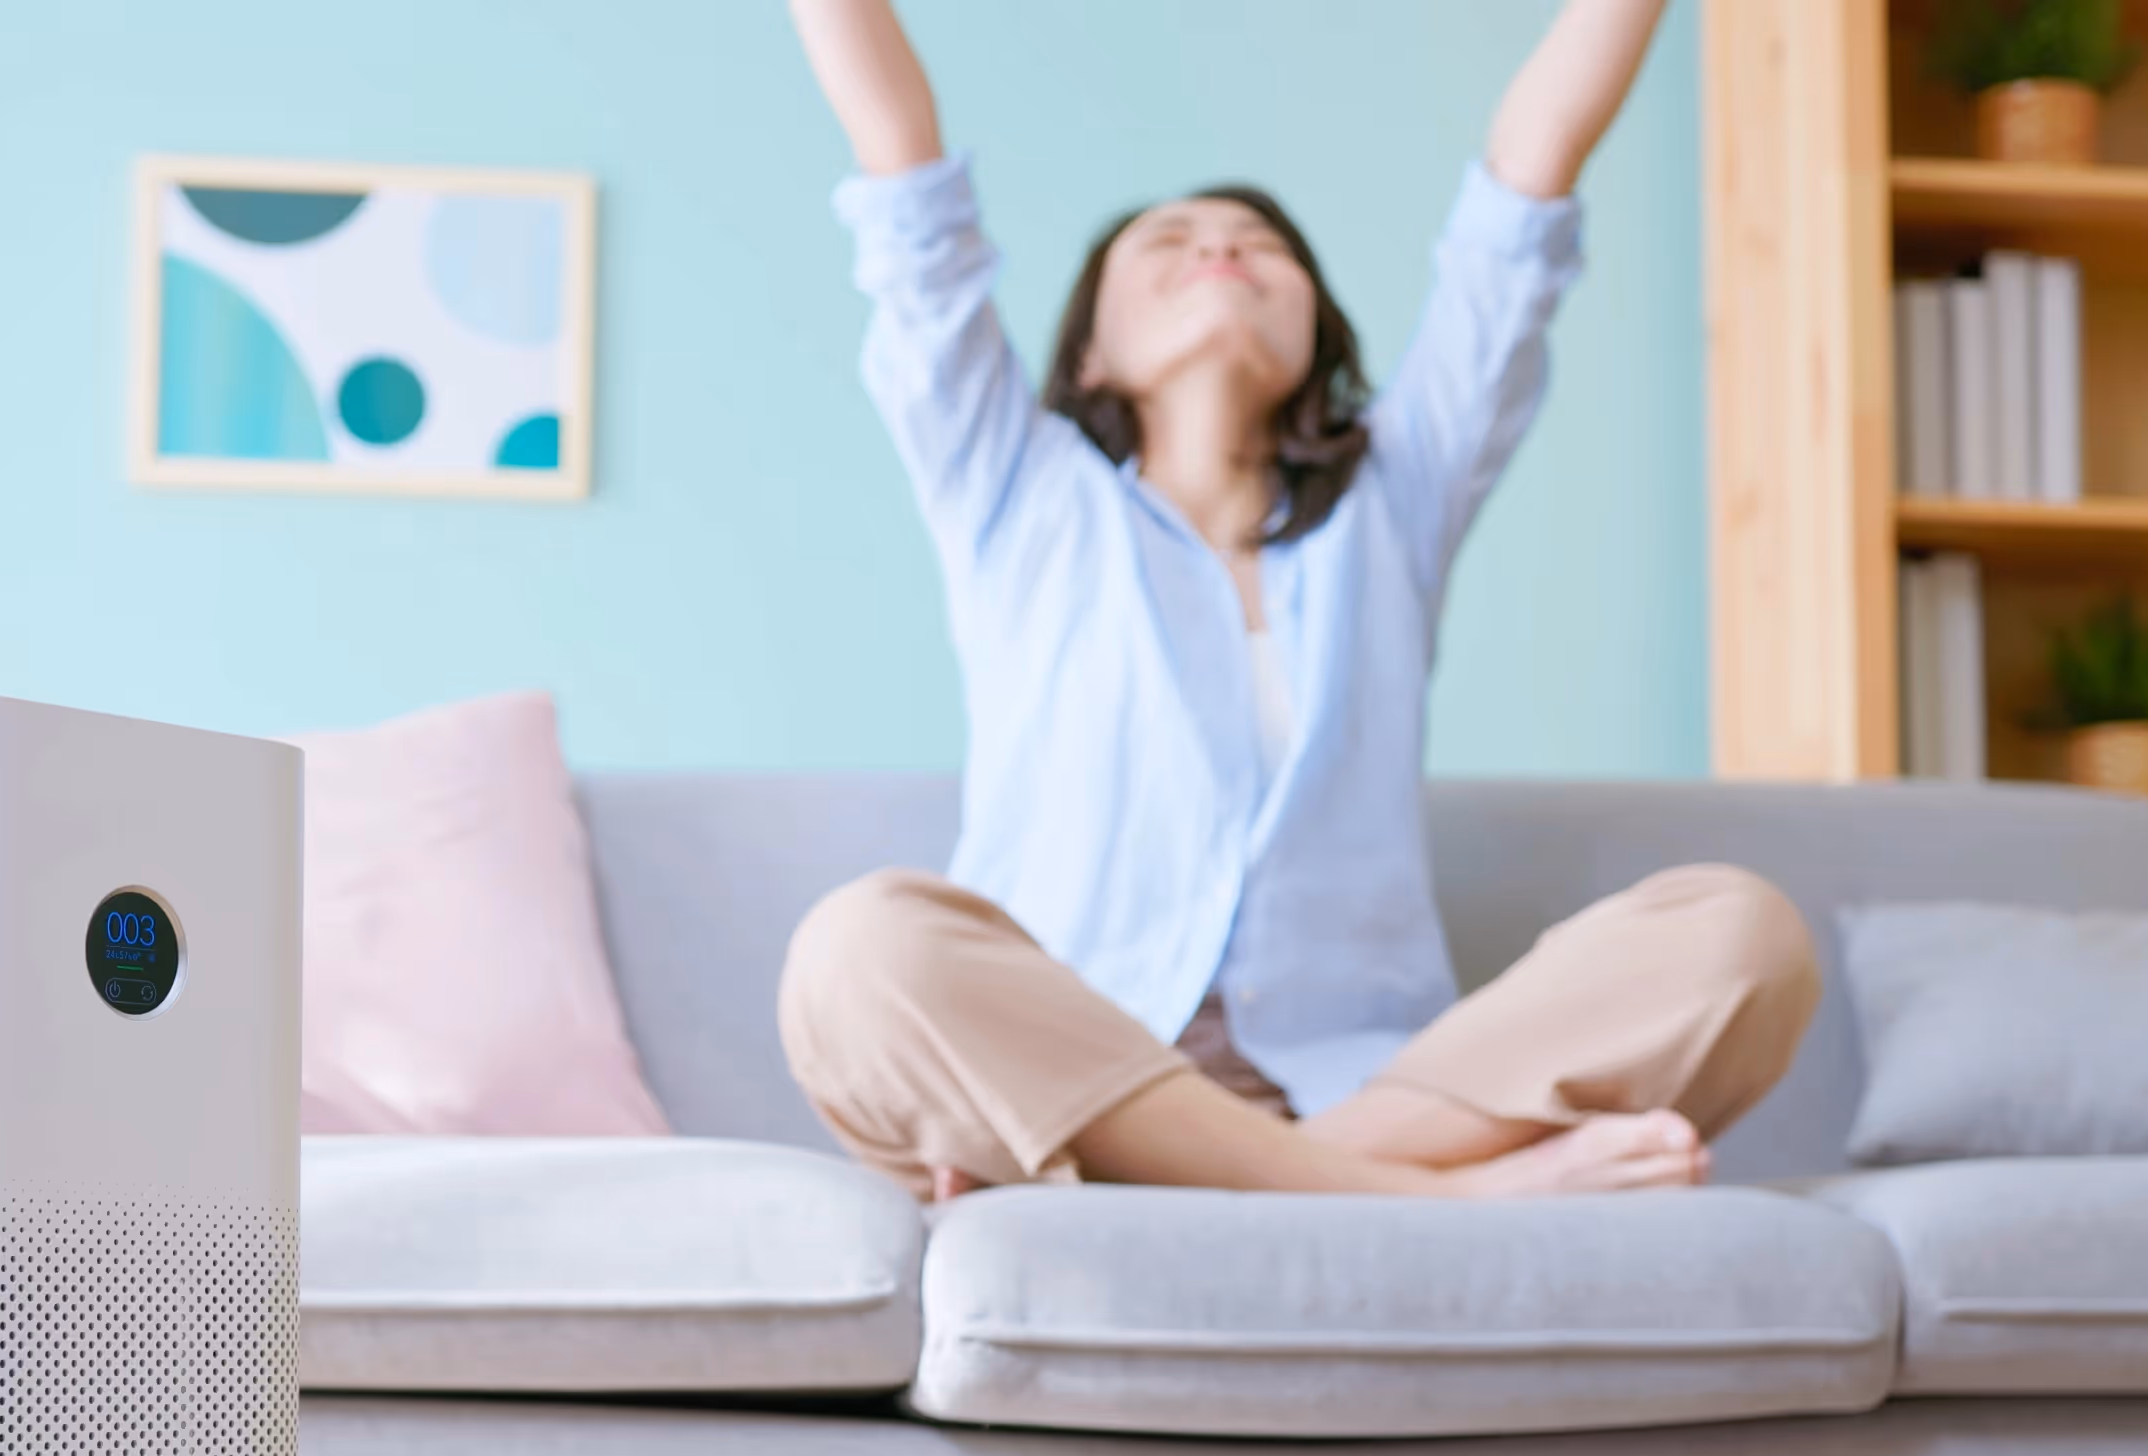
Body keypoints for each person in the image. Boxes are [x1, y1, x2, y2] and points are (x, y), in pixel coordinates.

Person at [777, 0, 1819, 1205]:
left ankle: (1200, 1183)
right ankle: (1433, 1201)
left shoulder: (1399, 493)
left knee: (1742, 936)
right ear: (1089, 357)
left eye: (1259, 247)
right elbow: (906, 187)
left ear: (1315, 335)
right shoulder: (1017, 491)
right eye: (1169, 241)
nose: (1219, 248)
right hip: (1069, 1056)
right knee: (858, 951)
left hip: (1367, 1087)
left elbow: (1524, 200)